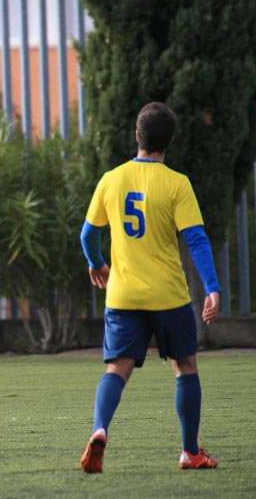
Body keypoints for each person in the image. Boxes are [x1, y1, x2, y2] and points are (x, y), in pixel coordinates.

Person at [78, 101, 221, 473]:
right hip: (168, 295)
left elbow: (87, 235)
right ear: (169, 140)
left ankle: (99, 429)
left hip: (123, 294)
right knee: (185, 366)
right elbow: (196, 239)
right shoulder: (176, 183)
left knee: (116, 369)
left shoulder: (111, 179)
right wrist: (212, 287)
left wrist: (96, 263)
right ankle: (190, 452)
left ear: (137, 136)